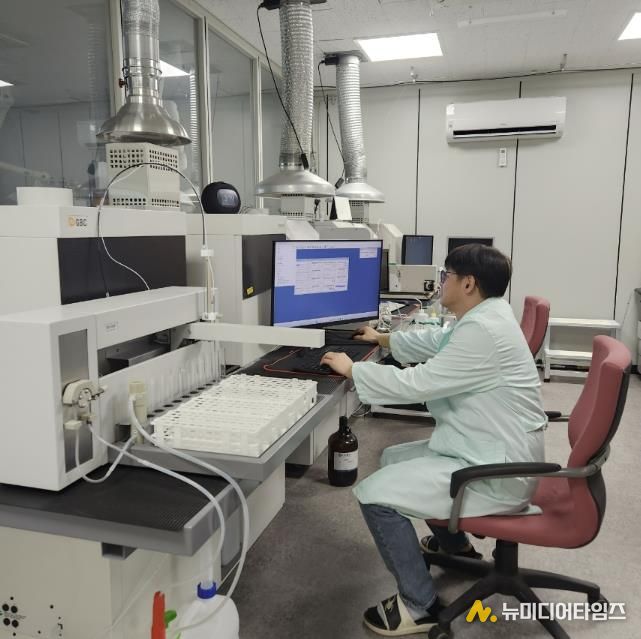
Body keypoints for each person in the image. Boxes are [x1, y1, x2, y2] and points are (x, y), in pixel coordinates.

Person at [320, 244, 547, 636]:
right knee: (394, 458)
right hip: (488, 446)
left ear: (468, 283)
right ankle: (456, 547)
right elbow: (440, 342)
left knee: (374, 495)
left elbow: (419, 383)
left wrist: (354, 370)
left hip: (497, 469)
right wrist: (385, 339)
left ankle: (418, 603)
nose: (441, 282)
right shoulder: (486, 315)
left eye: (447, 276)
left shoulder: (483, 330)